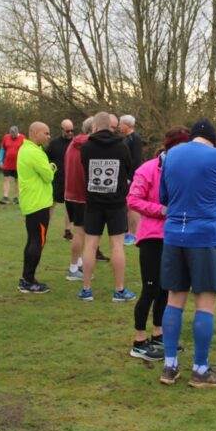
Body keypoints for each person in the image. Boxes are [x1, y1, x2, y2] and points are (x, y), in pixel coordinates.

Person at [158, 118, 216, 387]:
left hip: (173, 236)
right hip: (204, 237)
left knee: (174, 300)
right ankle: (200, 370)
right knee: (205, 301)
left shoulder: (171, 155)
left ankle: (169, 366)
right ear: (212, 140)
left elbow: (163, 197)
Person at [126, 125, 190, 361]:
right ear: (170, 147)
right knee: (150, 288)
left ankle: (158, 334)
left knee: (166, 288)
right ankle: (139, 340)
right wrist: (161, 210)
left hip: (176, 236)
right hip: (152, 237)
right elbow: (133, 199)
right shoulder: (148, 169)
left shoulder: (187, 170)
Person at [78, 112, 135, 302]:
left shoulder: (86, 147)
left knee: (90, 245)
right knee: (117, 245)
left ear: (94, 126)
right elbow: (129, 168)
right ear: (111, 126)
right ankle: (119, 290)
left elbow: (84, 168)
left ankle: (86, 289)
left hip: (93, 202)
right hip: (116, 203)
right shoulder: (121, 145)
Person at [17, 122, 55, 294]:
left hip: (31, 202)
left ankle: (26, 278)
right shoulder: (34, 152)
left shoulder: (25, 149)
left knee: (32, 240)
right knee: (37, 242)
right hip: (38, 203)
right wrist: (52, 167)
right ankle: (28, 280)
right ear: (34, 133)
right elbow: (48, 176)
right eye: (45, 133)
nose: (48, 136)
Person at [63, 118, 94, 282]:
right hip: (82, 195)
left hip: (70, 194)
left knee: (79, 231)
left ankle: (78, 262)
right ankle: (73, 268)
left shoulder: (73, 143)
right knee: (80, 233)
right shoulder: (89, 145)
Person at [46, 119, 75, 239]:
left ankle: (67, 231)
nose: (70, 133)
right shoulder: (54, 143)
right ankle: (43, 229)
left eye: (72, 130)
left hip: (71, 180)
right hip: (57, 180)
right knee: (51, 204)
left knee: (69, 206)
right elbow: (46, 159)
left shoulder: (75, 143)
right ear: (62, 130)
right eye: (67, 131)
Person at [119, 115, 143, 245]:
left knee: (132, 205)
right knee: (127, 206)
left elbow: (136, 160)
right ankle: (129, 232)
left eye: (120, 124)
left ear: (127, 125)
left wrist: (130, 177)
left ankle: (135, 234)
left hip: (132, 178)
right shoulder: (125, 139)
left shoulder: (135, 138)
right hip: (125, 177)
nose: (119, 126)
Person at [0, 125, 25, 205]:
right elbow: (2, 149)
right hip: (7, 163)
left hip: (18, 163)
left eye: (14, 134)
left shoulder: (23, 138)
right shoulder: (6, 137)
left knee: (17, 180)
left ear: (17, 133)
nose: (12, 136)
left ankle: (16, 198)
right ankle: (5, 197)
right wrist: (0, 161)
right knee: (6, 179)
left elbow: (25, 151)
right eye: (11, 134)